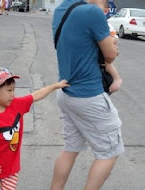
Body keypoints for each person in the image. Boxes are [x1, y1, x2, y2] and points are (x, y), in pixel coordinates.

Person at [50, 0, 125, 190]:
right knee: (109, 152)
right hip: (88, 96)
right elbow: (109, 55)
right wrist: (99, 7)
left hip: (65, 91)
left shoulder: (61, 9)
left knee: (70, 149)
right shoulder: (93, 12)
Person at [0, 66, 69, 190]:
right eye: (9, 90)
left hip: (11, 166)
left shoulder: (16, 105)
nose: (13, 94)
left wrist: (54, 86)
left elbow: (35, 96)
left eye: (13, 90)